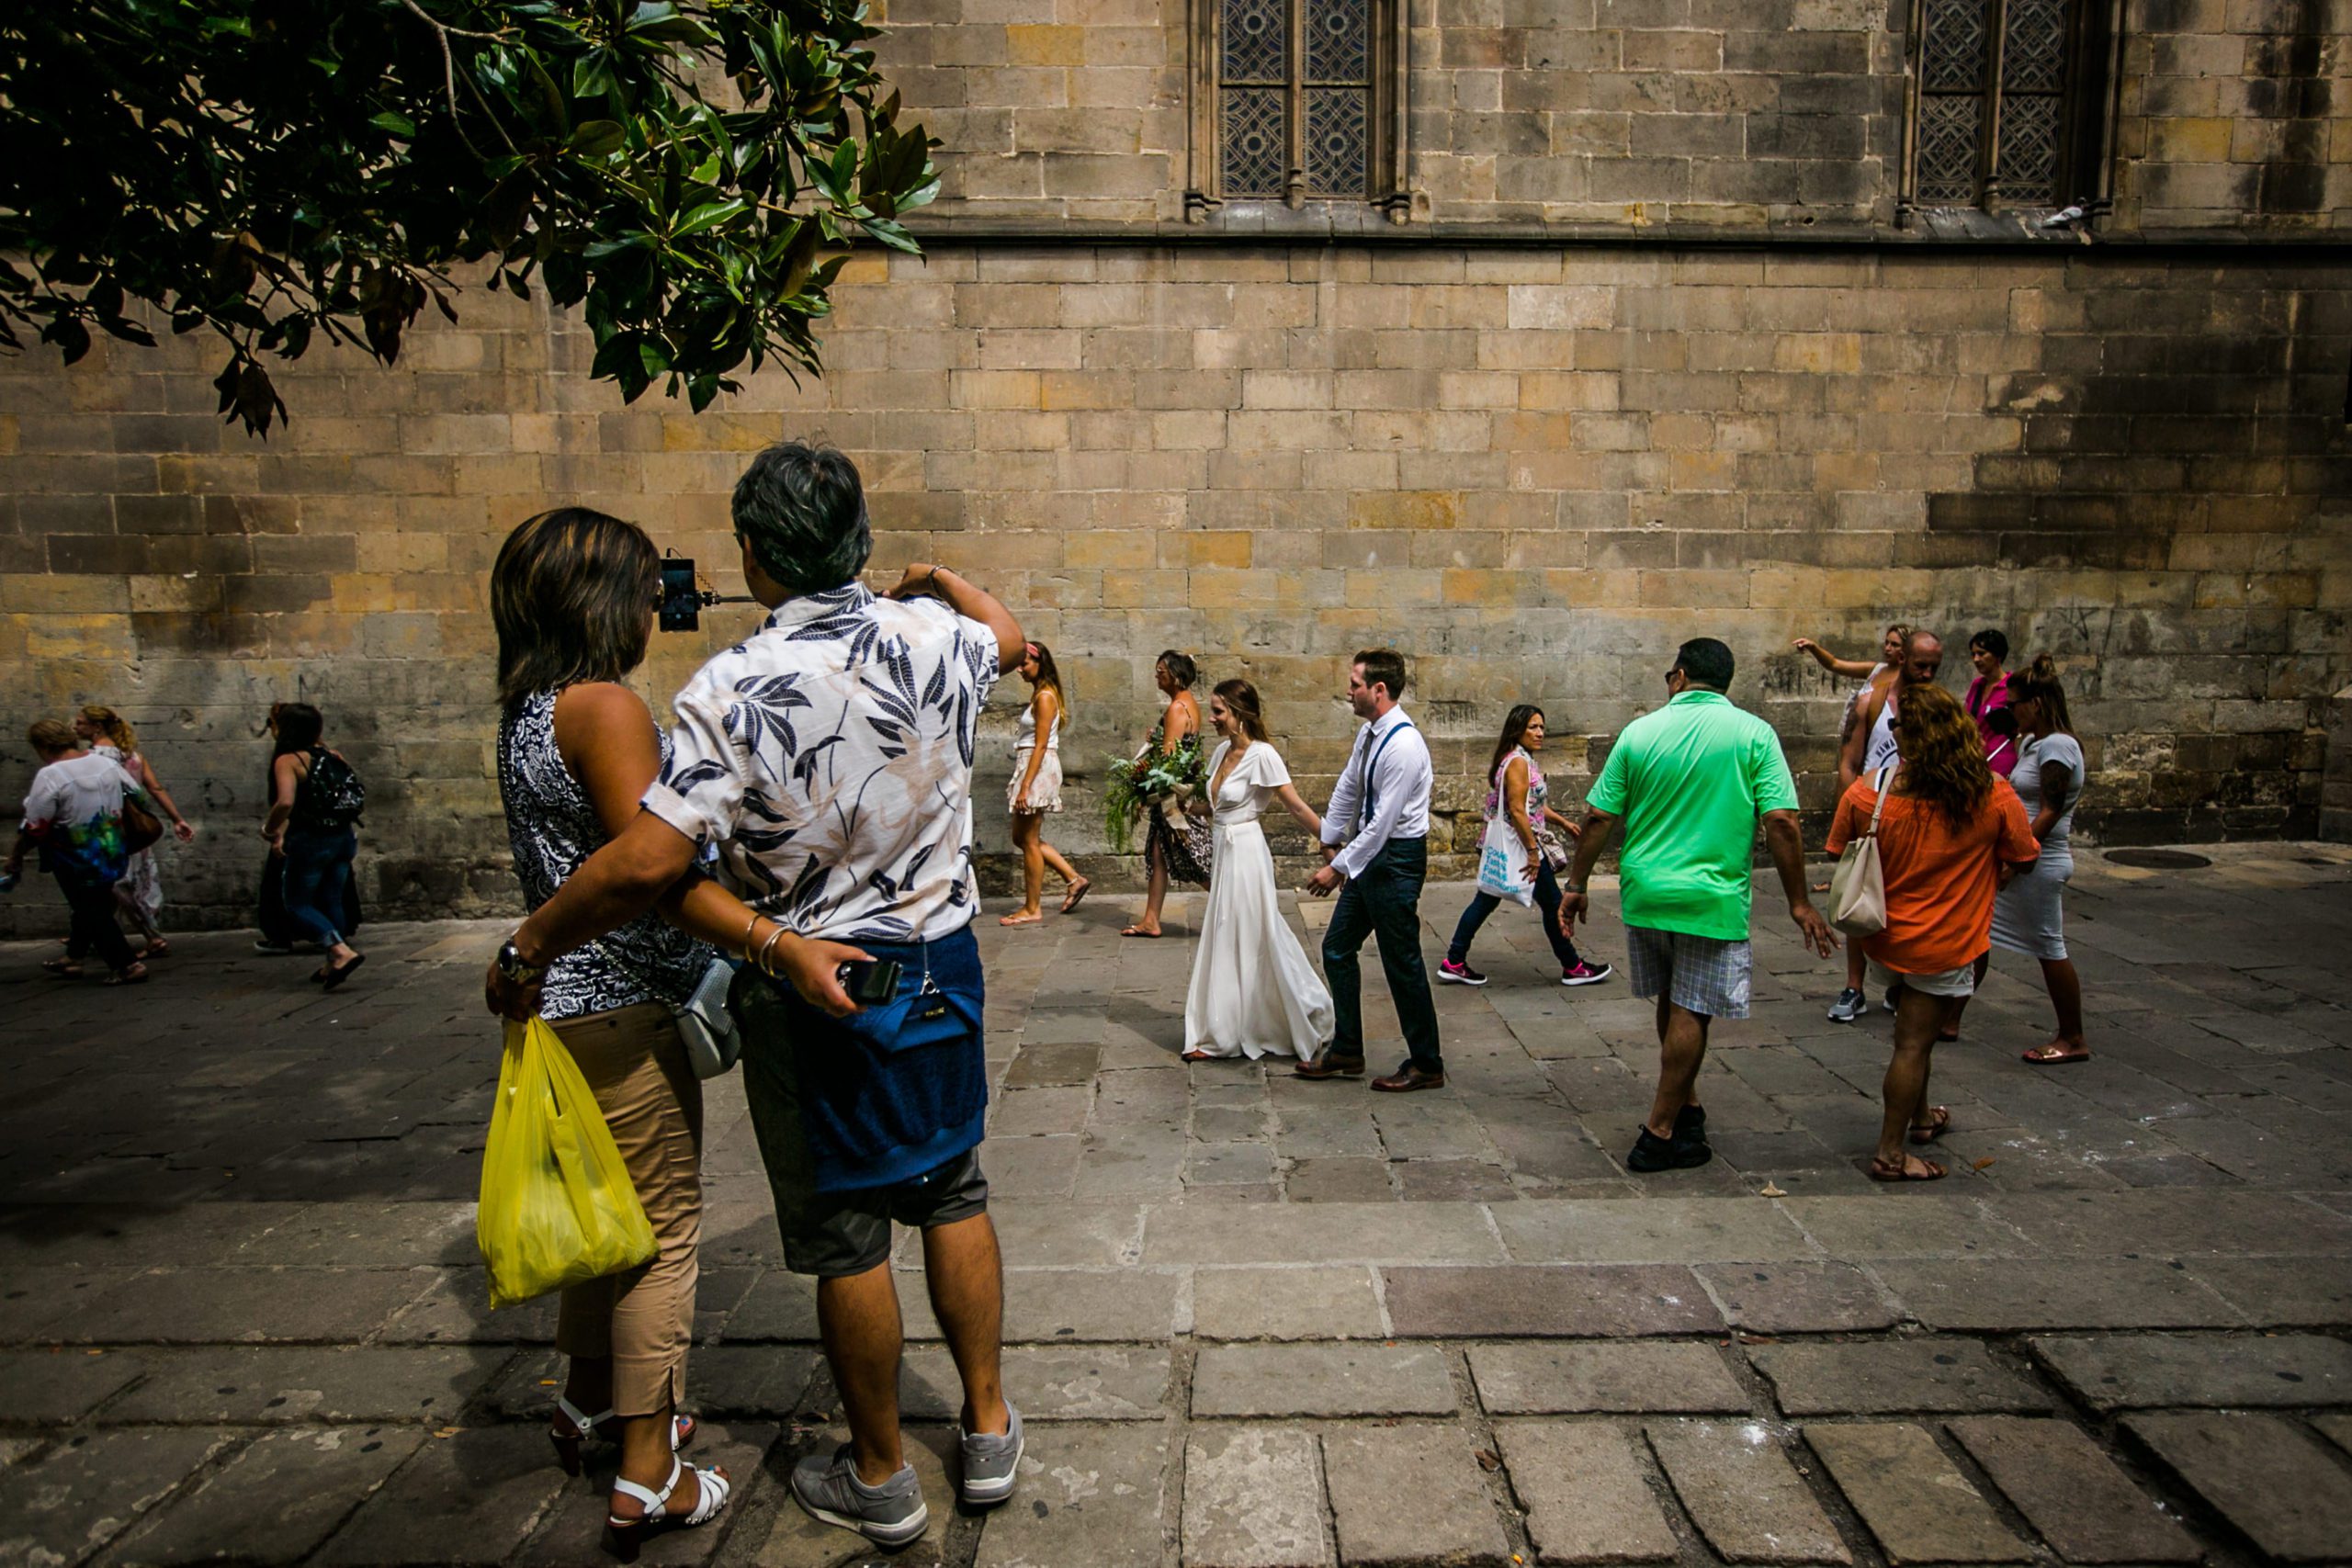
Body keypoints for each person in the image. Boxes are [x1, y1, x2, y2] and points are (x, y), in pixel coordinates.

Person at [482, 444, 1026, 1549]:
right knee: (954, 1190)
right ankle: (986, 1428)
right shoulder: (941, 637)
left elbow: (649, 860)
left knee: (844, 1236)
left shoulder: (726, 686)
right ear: (858, 541)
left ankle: (881, 1474)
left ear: (749, 554)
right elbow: (1010, 636)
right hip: (941, 958)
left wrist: (536, 934)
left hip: (815, 973)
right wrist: (927, 578)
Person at [491, 507, 733, 1554]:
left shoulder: (529, 707)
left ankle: (586, 1402)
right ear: (599, 600)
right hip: (621, 1007)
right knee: (662, 1239)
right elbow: (647, 861)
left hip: (568, 1013)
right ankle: (651, 1471)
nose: (653, 607)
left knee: (605, 1225)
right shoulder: (604, 705)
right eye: (642, 589)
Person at [1559, 638, 1838, 1172]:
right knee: (1693, 1007)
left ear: (1679, 676)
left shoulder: (1640, 732)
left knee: (1672, 995)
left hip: (1646, 892)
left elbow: (1598, 817)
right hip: (1711, 897)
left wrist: (1576, 885)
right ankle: (1659, 1134)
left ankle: (1686, 1106)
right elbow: (1781, 821)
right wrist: (1799, 902)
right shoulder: (1754, 734)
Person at [1825, 683, 2040, 1181]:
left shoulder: (1869, 791)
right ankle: (1890, 1153)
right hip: (1946, 941)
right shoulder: (1990, 794)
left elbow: (1839, 850)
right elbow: (2025, 855)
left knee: (1909, 1032)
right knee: (1913, 1044)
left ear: (1910, 736)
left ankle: (1921, 1119)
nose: (1892, 729)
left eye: (1897, 724)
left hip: (1883, 934)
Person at [1296, 649, 1445, 1093]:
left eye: (1355, 684)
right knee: (1338, 948)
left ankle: (1427, 1063)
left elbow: (1382, 825)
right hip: (1371, 858)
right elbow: (1349, 784)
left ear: (1379, 690)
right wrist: (1328, 832)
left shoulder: (1403, 744)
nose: (1349, 691)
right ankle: (1347, 1048)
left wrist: (1338, 868)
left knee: (1402, 962)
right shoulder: (1370, 734)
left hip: (1396, 860)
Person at [1182, 679, 1335, 1062]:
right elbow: (1216, 806)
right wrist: (1176, 803)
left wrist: (1330, 844)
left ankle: (1289, 1013)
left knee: (1253, 931)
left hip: (1247, 852)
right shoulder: (1220, 753)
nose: (1212, 718)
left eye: (1219, 711)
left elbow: (1296, 807)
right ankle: (1225, 1024)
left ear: (1240, 713)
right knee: (1228, 933)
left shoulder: (1263, 755)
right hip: (1224, 850)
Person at [1952, 655, 2090, 1064]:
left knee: (2049, 946)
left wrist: (2018, 855)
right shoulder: (2032, 743)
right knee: (1979, 935)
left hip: (2039, 862)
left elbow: (2051, 809)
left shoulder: (2059, 747)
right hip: (2021, 856)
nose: (2008, 711)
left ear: (2037, 703)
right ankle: (1949, 1016)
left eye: (2014, 704)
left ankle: (2073, 1037)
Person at [1438, 705, 1612, 989]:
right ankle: (1573, 966)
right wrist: (1533, 853)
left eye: (1542, 727)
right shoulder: (1518, 762)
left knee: (1486, 900)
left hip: (1514, 843)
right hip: (1521, 847)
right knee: (1553, 905)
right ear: (1518, 729)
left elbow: (1534, 805)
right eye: (1533, 727)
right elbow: (1518, 810)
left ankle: (1454, 961)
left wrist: (1563, 823)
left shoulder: (1513, 759)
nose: (1540, 732)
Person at [1826, 629, 1944, 1022]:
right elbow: (1849, 762)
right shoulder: (1872, 702)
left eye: (1934, 668)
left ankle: (1900, 984)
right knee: (1860, 899)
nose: (1927, 674)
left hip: (1922, 819)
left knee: (1909, 902)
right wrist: (1855, 812)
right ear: (1902, 661)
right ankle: (1855, 986)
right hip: (1874, 813)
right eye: (1920, 666)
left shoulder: (1941, 708)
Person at [6, 719, 160, 985]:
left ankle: (126, 964)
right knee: (93, 903)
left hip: (73, 855)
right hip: (112, 848)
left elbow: (36, 824)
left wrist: (16, 855)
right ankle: (73, 957)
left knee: (91, 909)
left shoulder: (51, 774)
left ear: (43, 747)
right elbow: (138, 796)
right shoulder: (106, 764)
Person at [75, 705, 197, 956]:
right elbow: (155, 788)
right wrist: (177, 819)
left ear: (96, 727)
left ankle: (153, 937)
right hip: (135, 830)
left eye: (80, 723)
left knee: (119, 885)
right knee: (122, 886)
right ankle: (84, 937)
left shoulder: (88, 759)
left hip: (109, 832)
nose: (75, 727)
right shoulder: (132, 756)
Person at [261, 704, 367, 988]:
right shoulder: (333, 756)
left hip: (310, 840)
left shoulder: (289, 760)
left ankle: (340, 952)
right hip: (343, 838)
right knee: (332, 898)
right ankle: (333, 959)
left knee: (297, 902)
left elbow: (285, 802)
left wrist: (270, 829)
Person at [1001, 641, 1088, 926]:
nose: (1019, 669)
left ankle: (1032, 907)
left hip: (1036, 765)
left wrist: (1026, 785)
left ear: (1040, 663)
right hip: (1031, 763)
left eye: (1024, 663)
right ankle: (1073, 879)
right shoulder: (1040, 695)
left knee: (1028, 840)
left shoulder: (1045, 697)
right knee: (1023, 838)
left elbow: (1039, 745)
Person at [1122, 649, 1207, 939]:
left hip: (1172, 798)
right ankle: (1151, 919)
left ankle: (1239, 908)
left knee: (1193, 854)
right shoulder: (1189, 705)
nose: (1157, 676)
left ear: (1177, 675)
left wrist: (1144, 795)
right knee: (1159, 854)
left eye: (1162, 671)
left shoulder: (1175, 709)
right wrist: (1158, 737)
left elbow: (1168, 761)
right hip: (1181, 793)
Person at [1964, 629, 2018, 777]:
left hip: (1999, 761)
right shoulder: (1977, 685)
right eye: (1973, 654)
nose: (1976, 659)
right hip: (1974, 760)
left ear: (1998, 656)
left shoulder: (2011, 687)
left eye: (1981, 654)